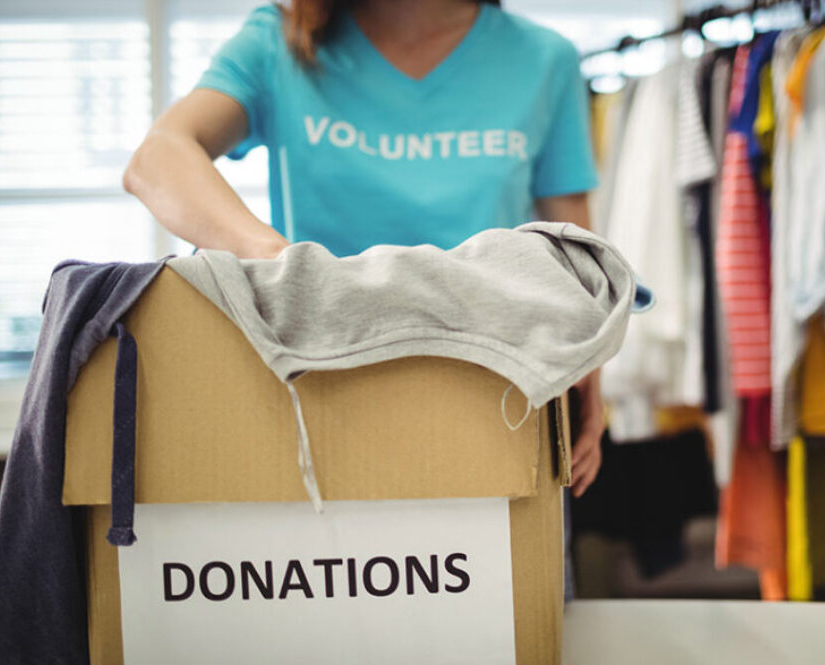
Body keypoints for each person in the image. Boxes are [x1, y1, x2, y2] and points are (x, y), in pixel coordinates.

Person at [122, 0, 605, 496]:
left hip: (499, 402)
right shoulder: (278, 43)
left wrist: (593, 372)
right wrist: (270, 255)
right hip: (324, 398)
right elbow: (157, 158)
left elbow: (571, 257)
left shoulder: (544, 59)